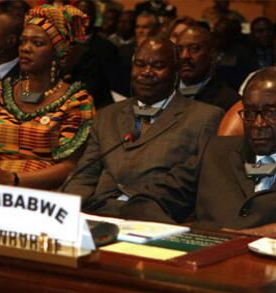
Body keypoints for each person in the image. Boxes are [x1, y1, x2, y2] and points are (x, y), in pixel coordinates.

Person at [131, 66, 276, 248]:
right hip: (202, 270)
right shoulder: (214, 152)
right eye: (249, 113)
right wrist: (182, 239)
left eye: (272, 112)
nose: (258, 124)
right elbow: (146, 201)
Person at [61, 37, 224, 223]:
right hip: (99, 213)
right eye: (140, 65)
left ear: (176, 71)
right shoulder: (107, 115)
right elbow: (84, 176)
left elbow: (198, 187)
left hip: (154, 219)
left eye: (158, 66)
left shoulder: (204, 118)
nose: (146, 73)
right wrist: (66, 212)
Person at [0, 4, 95, 190]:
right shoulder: (1, 92)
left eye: (37, 43)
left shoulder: (75, 101)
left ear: (58, 52)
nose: (26, 49)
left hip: (44, 194)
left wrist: (15, 179)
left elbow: (70, 167)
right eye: (23, 42)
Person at [177, 26, 240, 111]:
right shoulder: (162, 93)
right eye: (179, 50)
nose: (184, 56)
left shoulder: (229, 102)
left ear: (212, 54)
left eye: (193, 49)